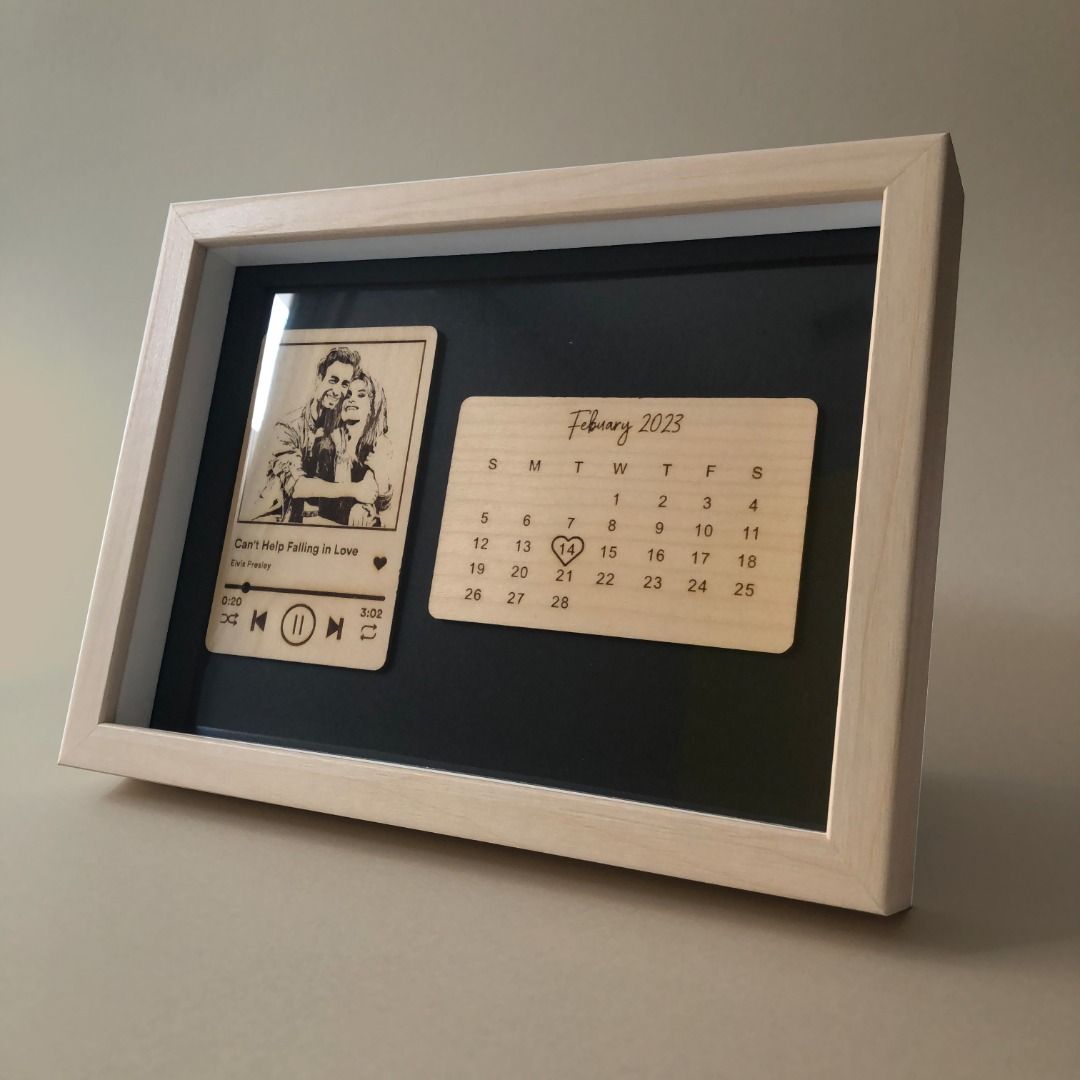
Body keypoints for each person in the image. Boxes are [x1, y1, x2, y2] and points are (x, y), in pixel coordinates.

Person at [245, 346, 380, 522]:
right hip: (269, 520)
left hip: (312, 525)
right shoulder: (288, 426)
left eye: (344, 384)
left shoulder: (338, 425)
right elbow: (297, 486)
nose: (337, 391)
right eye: (333, 380)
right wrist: (354, 490)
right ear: (318, 379)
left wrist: (368, 482)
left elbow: (362, 462)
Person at [307, 368, 393, 527]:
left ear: (372, 407)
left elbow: (382, 502)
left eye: (361, 395)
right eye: (348, 395)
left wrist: (380, 475)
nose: (352, 399)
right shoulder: (327, 443)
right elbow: (317, 498)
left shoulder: (379, 445)